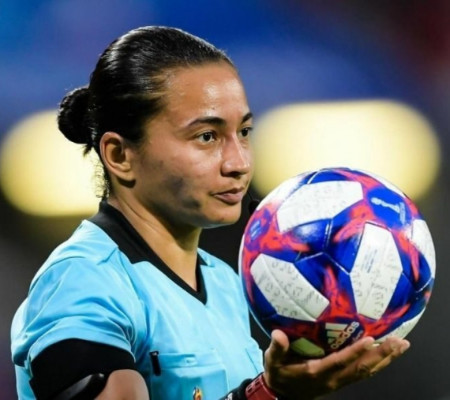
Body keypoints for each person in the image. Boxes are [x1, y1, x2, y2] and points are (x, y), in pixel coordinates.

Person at [11, 26, 410, 400]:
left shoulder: (224, 282)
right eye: (207, 136)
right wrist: (268, 392)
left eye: (244, 132)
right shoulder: (82, 280)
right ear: (120, 155)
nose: (239, 163)